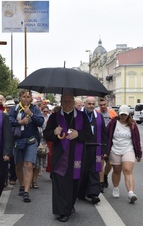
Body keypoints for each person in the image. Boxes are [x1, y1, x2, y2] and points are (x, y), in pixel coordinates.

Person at [43, 92, 87, 222]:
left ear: (74, 102)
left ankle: (70, 204)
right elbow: (46, 134)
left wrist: (78, 134)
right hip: (60, 155)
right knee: (60, 183)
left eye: (69, 101)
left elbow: (89, 134)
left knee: (74, 182)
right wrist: (54, 133)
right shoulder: (54, 117)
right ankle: (62, 211)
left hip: (76, 155)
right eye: (64, 101)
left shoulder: (82, 116)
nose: (67, 103)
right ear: (61, 102)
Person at [8, 89, 44, 203]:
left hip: (31, 140)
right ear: (20, 98)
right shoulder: (14, 109)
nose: (26, 98)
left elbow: (41, 121)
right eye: (24, 96)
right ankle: (22, 185)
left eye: (28, 97)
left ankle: (26, 192)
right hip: (18, 141)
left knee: (29, 164)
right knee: (19, 165)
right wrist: (20, 122)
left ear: (31, 99)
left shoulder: (34, 109)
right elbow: (8, 121)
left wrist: (31, 114)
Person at [106, 105, 142, 203]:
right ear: (119, 114)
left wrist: (139, 153)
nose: (123, 117)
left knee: (128, 170)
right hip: (115, 149)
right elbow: (107, 136)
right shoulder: (113, 123)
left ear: (128, 115)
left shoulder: (133, 124)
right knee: (117, 170)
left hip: (128, 149)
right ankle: (116, 188)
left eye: (125, 115)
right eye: (121, 114)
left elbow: (137, 140)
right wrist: (105, 151)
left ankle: (131, 193)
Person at [77, 96, 108, 204]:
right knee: (80, 170)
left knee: (95, 170)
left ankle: (94, 194)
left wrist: (104, 149)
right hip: (81, 148)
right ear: (84, 104)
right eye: (89, 104)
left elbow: (104, 133)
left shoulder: (99, 117)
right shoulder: (78, 115)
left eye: (93, 104)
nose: (91, 106)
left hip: (95, 148)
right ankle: (80, 192)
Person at [96, 97, 117, 192]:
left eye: (104, 105)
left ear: (107, 104)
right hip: (99, 139)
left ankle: (105, 176)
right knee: (100, 162)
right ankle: (100, 183)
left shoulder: (112, 113)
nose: (102, 107)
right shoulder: (96, 112)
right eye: (100, 105)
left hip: (110, 140)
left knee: (110, 162)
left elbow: (118, 125)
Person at [32, 105, 50, 189]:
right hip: (31, 142)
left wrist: (43, 135)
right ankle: (28, 180)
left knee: (37, 164)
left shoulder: (43, 121)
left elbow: (46, 132)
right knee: (30, 164)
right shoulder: (30, 119)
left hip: (41, 143)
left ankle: (34, 180)